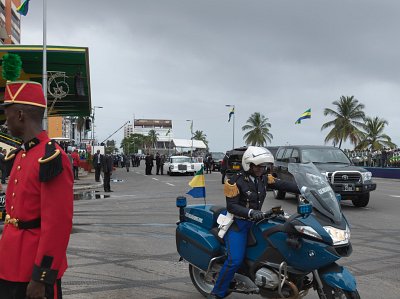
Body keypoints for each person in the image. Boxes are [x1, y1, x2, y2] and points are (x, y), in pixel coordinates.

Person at [0, 80, 73, 299]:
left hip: (33, 272)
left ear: (20, 114)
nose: (5, 120)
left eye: (8, 113)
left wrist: (42, 277)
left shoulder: (50, 158)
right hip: (9, 263)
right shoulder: (21, 154)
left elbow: (57, 225)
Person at [208, 146, 298, 299]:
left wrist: (304, 188)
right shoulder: (234, 181)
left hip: (258, 222)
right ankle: (217, 292)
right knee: (235, 260)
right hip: (238, 224)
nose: (260, 169)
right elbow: (232, 206)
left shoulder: (263, 177)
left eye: (263, 166)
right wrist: (250, 212)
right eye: (257, 166)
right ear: (248, 164)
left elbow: (282, 185)